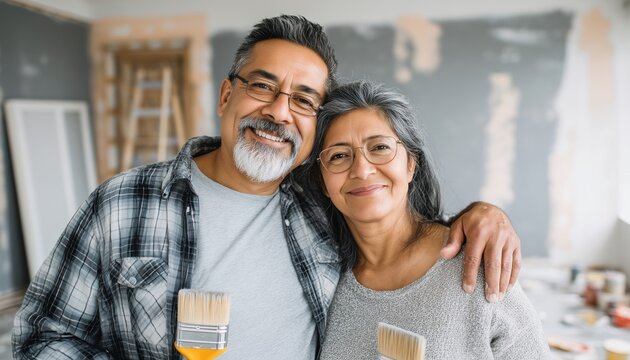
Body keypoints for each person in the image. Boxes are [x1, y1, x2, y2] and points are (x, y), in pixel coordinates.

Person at [13, 15, 521, 359]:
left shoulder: (323, 205)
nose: (279, 111)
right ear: (227, 94)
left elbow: (390, 212)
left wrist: (482, 212)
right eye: (263, 86)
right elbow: (41, 337)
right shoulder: (121, 204)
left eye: (303, 99)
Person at [306, 81, 549, 359]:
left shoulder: (476, 263)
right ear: (324, 182)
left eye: (380, 147)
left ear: (411, 163)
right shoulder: (323, 282)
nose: (361, 169)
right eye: (339, 155)